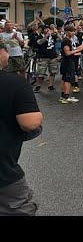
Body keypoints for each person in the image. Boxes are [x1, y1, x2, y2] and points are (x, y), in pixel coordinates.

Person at [0, 41, 43, 215]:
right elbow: (30, 123)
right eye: (6, 51)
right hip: (3, 174)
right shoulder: (15, 83)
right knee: (18, 209)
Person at [59, 25, 83, 104]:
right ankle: (66, 97)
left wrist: (77, 50)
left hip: (69, 61)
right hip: (68, 62)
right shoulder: (66, 40)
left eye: (74, 31)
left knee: (65, 79)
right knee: (68, 79)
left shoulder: (70, 40)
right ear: (66, 32)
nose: (73, 33)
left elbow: (71, 51)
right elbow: (67, 53)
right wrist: (79, 49)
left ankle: (63, 96)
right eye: (71, 31)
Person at [33, 25, 60, 93]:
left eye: (48, 29)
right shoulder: (39, 36)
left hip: (53, 57)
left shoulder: (53, 36)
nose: (47, 30)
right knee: (41, 73)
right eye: (45, 29)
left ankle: (50, 86)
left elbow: (60, 39)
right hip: (43, 57)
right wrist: (46, 36)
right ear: (42, 30)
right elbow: (39, 42)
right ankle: (38, 86)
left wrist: (56, 32)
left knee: (52, 72)